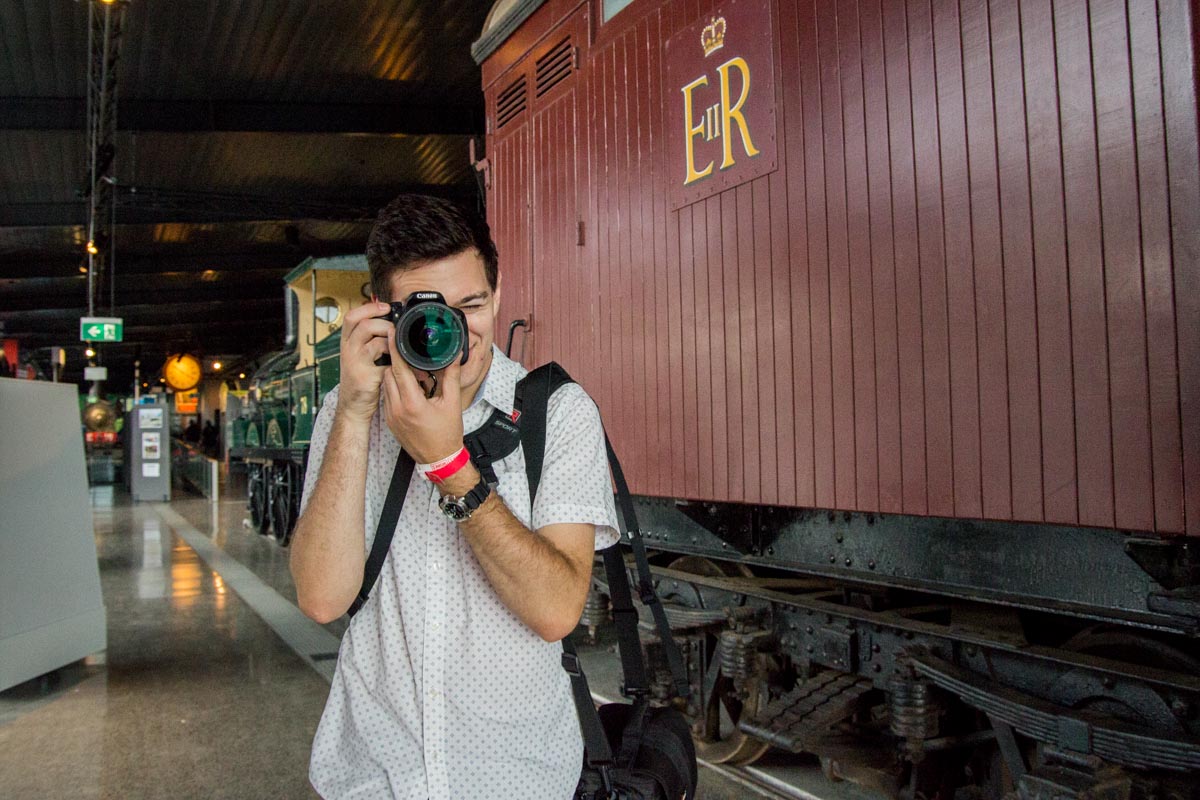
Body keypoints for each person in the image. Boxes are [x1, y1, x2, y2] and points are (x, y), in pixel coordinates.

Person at [290, 194, 619, 800]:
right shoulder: (347, 412)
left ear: (497, 296)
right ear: (381, 311)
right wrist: (358, 411)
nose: (453, 332)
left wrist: (449, 465)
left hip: (518, 782)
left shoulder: (557, 413)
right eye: (429, 310)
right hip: (372, 780)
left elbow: (555, 610)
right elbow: (319, 597)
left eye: (472, 305)